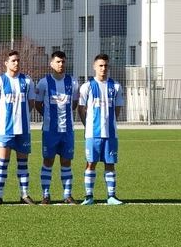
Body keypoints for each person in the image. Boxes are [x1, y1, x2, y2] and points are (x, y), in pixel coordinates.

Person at [0, 50, 36, 205]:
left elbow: (31, 103)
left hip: (23, 129)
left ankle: (24, 195)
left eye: (18, 60)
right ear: (6, 63)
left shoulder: (27, 81)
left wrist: (22, 117)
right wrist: (2, 119)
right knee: (3, 162)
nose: (16, 63)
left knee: (23, 163)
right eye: (13, 61)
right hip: (5, 130)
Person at [78, 53, 125, 205]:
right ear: (94, 67)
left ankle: (111, 196)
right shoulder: (87, 87)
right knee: (90, 163)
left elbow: (117, 109)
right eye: (100, 65)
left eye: (105, 65)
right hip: (93, 133)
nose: (103, 68)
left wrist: (110, 123)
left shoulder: (116, 86)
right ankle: (89, 196)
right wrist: (88, 125)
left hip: (111, 133)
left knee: (110, 163)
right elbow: (81, 108)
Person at [34, 51, 79, 205]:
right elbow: (38, 104)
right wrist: (48, 116)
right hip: (50, 130)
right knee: (48, 161)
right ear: (51, 64)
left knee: (66, 162)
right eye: (58, 62)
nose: (61, 65)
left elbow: (74, 104)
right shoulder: (43, 82)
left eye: (63, 62)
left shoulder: (73, 82)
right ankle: (46, 195)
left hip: (67, 130)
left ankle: (67, 195)